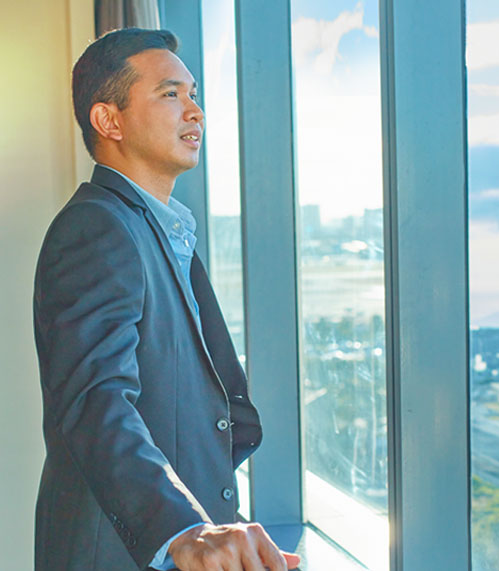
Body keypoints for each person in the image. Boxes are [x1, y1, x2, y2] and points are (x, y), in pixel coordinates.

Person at [33, 28, 300, 570]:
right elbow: (95, 399)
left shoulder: (158, 229)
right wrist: (182, 529)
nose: (195, 112)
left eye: (194, 94)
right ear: (109, 120)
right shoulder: (96, 227)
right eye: (170, 94)